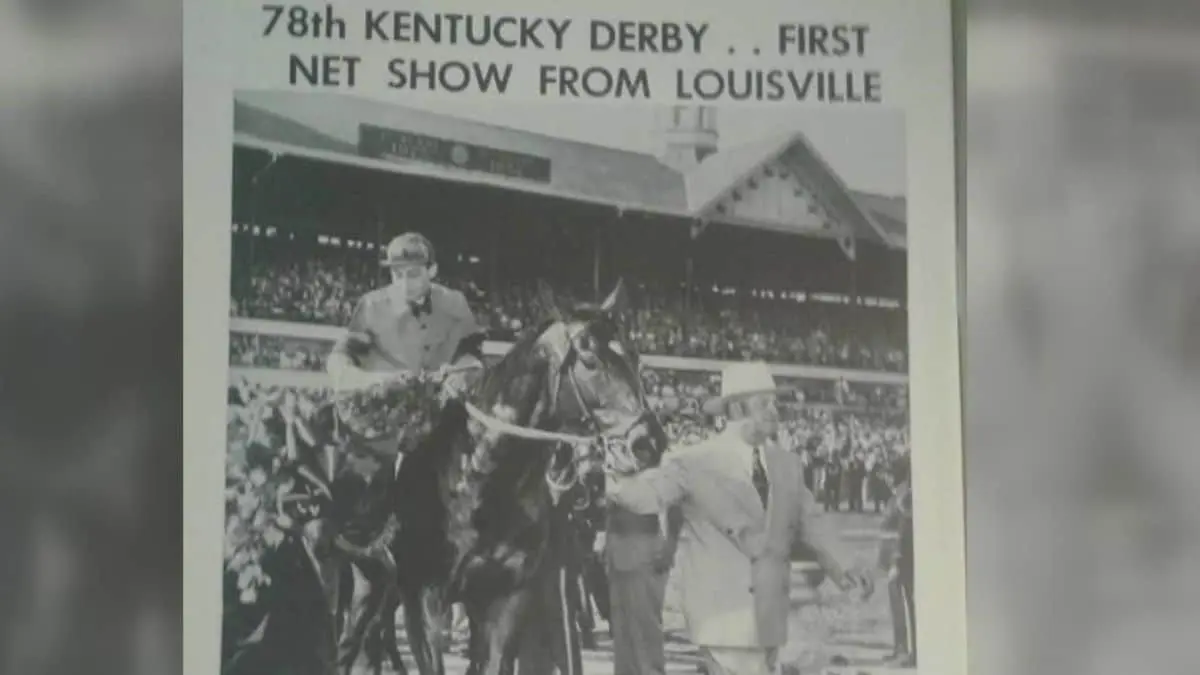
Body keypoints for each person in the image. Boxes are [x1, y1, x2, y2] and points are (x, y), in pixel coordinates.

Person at [604, 362, 870, 675]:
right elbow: (643, 496)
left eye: (774, 402)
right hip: (722, 619)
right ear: (738, 407)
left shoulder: (788, 464)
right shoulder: (693, 460)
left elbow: (813, 522)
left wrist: (846, 566)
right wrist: (614, 469)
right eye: (764, 403)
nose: (774, 410)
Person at [324, 232, 487, 673]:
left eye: (413, 273)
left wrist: (462, 375)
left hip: (438, 423)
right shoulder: (371, 305)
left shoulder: (455, 304)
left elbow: (475, 356)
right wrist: (363, 382)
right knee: (369, 497)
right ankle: (366, 565)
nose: (404, 281)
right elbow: (339, 361)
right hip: (381, 429)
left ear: (432, 272)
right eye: (397, 274)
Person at [879, 458, 915, 667]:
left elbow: (901, 534)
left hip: (901, 561)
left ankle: (910, 650)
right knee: (898, 606)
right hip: (894, 560)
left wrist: (895, 562)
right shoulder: (897, 497)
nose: (885, 477)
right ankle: (900, 647)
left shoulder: (904, 498)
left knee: (907, 605)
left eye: (888, 473)